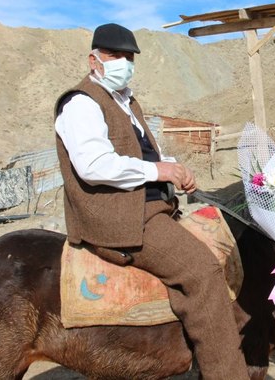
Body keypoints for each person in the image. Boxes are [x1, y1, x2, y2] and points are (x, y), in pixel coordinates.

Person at [54, 23, 249, 380]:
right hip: (121, 218)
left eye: (129, 57)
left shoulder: (126, 102)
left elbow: (140, 155)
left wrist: (176, 169)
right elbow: (95, 165)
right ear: (94, 60)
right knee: (203, 271)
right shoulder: (81, 104)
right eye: (115, 56)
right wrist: (159, 171)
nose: (123, 63)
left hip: (150, 208)